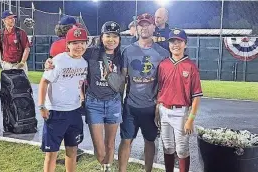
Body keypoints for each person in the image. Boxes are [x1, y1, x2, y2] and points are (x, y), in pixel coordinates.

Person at [45, 21, 123, 172]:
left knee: (110, 143)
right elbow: (71, 54)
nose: (111, 39)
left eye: (115, 36)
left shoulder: (122, 55)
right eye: (108, 36)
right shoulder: (91, 52)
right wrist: (49, 61)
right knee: (100, 149)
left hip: (114, 102)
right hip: (94, 103)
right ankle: (103, 164)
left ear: (119, 39)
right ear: (102, 37)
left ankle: (107, 169)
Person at [118, 13, 169, 172]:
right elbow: (122, 80)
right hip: (130, 106)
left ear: (154, 27)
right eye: (141, 24)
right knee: (126, 140)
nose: (144, 27)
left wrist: (159, 106)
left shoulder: (162, 53)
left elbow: (164, 83)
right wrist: (119, 103)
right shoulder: (128, 51)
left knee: (150, 141)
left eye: (148, 24)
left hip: (150, 108)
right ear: (137, 27)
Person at [38, 26, 88, 172]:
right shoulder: (58, 61)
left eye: (82, 42)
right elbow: (44, 82)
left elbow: (79, 83)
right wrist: (42, 106)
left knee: (72, 151)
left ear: (86, 44)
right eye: (74, 43)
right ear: (68, 45)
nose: (79, 46)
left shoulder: (84, 63)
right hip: (56, 112)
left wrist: (82, 99)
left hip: (74, 112)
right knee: (51, 153)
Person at [155, 29, 203, 172]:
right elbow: (160, 90)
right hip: (164, 110)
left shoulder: (191, 66)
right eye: (172, 42)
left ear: (185, 44)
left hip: (181, 113)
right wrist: (157, 110)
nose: (176, 45)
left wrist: (191, 119)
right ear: (169, 44)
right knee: (168, 147)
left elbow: (196, 96)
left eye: (179, 41)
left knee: (182, 149)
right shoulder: (163, 65)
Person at [0, 10, 30, 75]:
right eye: (10, 18)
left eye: (13, 18)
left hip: (19, 64)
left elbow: (27, 48)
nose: (13, 20)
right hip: (7, 65)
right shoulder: (0, 33)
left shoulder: (20, 32)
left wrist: (22, 62)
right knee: (9, 85)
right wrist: (1, 61)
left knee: (22, 85)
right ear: (4, 20)